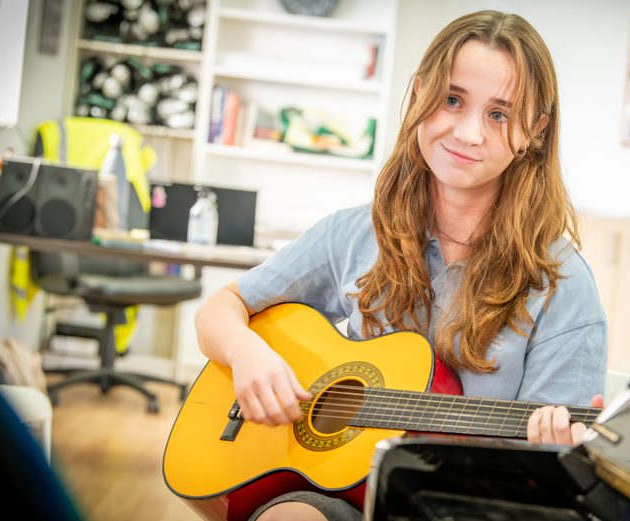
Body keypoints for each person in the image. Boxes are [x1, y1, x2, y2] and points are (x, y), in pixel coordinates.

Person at [195, 9, 606, 521]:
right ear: (418, 96)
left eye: (499, 114)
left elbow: (550, 481)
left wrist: (551, 447)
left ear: (535, 131)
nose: (468, 132)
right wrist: (248, 357)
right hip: (338, 488)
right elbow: (221, 308)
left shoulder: (562, 282)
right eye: (452, 99)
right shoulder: (353, 231)